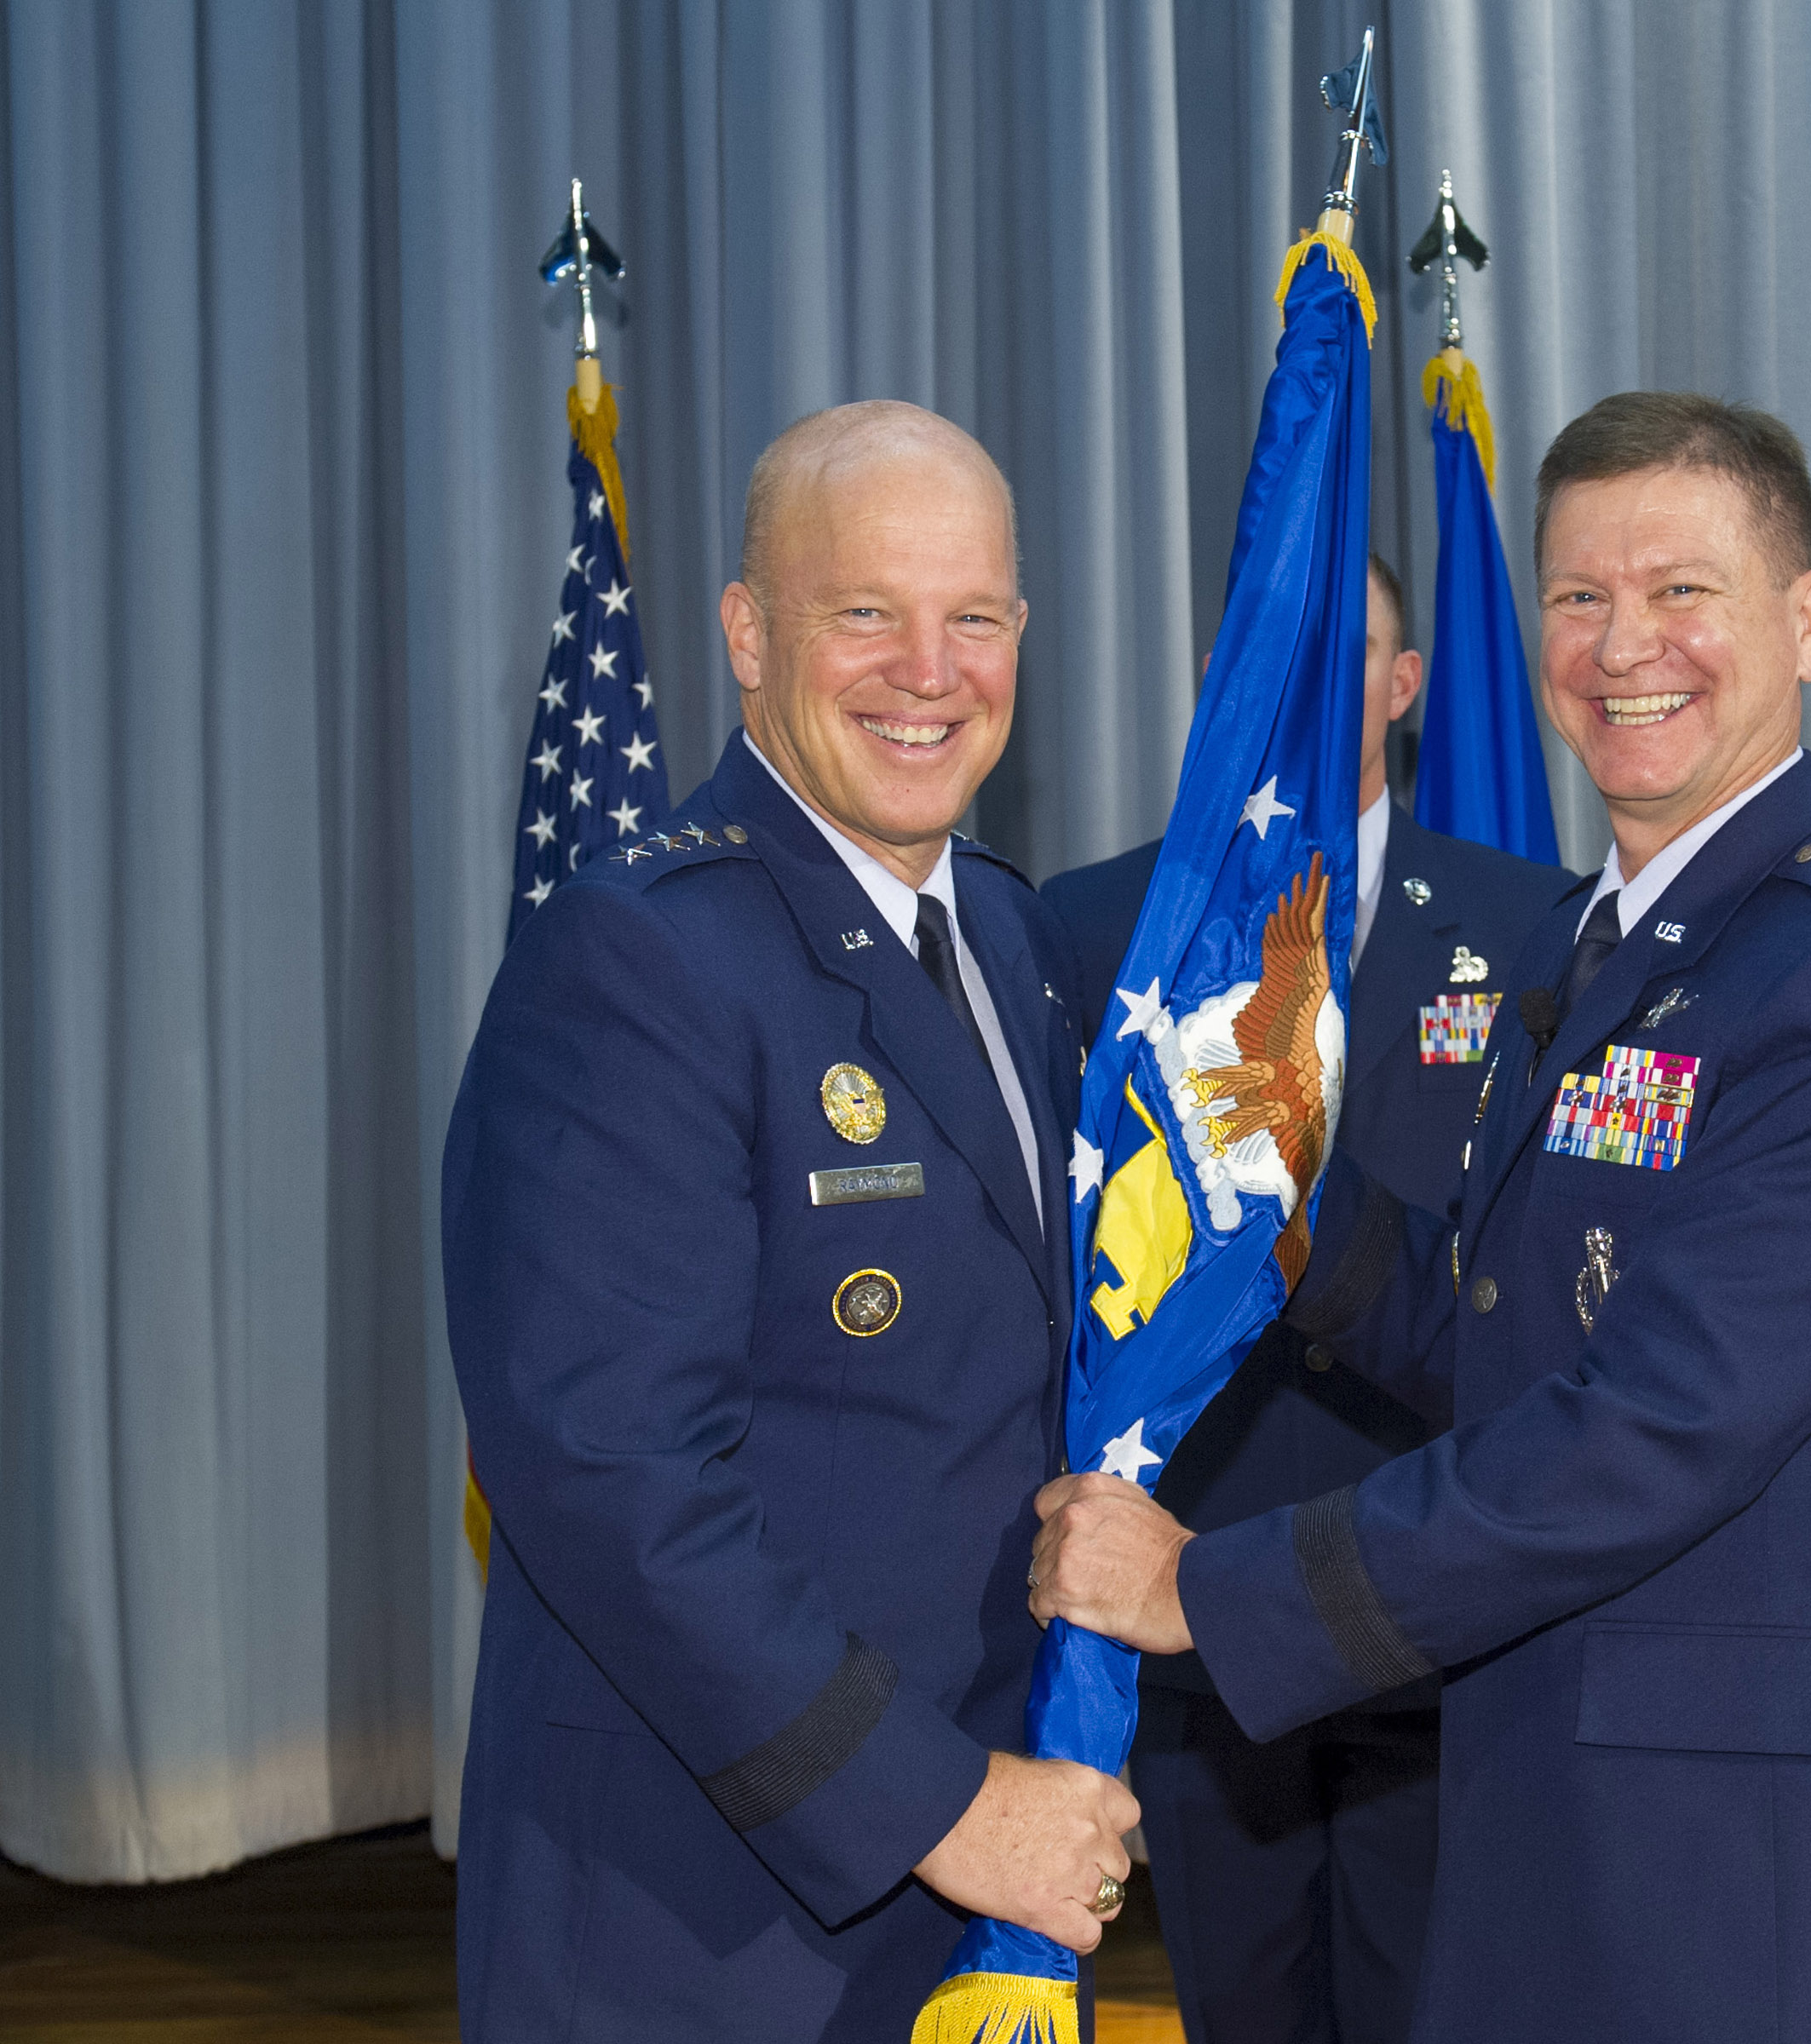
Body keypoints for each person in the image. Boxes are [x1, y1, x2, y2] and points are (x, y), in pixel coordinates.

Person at [1030, 393, 1811, 2041]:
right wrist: (1281, 1207)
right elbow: (1509, 1339)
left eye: (1681, 591)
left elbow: (1647, 1429)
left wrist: (1209, 1593)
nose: (1622, 642)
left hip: (1766, 1888)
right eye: (1579, 597)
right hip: (1554, 1818)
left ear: (1810, 619)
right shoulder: (1602, 944)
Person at [444, 401, 1138, 2043]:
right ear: (751, 635)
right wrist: (945, 1810)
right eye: (865, 615)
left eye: (972, 619)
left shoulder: (1013, 938)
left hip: (981, 1886)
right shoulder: (638, 957)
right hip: (707, 1915)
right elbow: (607, 1470)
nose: (928, 669)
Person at [1042, 558, 1577, 2044]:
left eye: (1356, 651)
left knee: (1441, 2002)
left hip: (1434, 1580)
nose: (1311, 674)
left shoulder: (1535, 921)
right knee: (1247, 2007)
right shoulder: (1100, 931)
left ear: (1407, 688)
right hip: (1198, 1585)